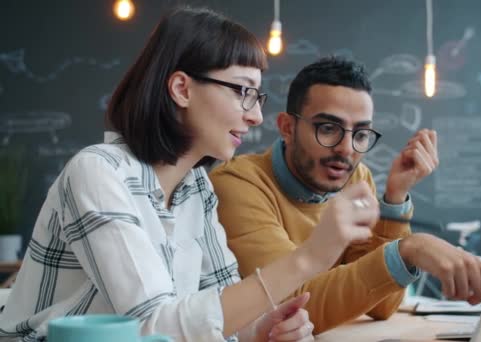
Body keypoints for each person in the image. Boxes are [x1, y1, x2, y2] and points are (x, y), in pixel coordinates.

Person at [0, 9, 380, 342]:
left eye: (257, 97)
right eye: (243, 92)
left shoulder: (196, 189)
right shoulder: (99, 173)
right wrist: (311, 256)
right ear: (182, 88)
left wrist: (259, 329)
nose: (255, 116)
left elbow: (214, 312)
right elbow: (153, 328)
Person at [209, 56, 481, 333]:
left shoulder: (356, 179)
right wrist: (410, 249)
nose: (346, 149)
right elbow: (293, 306)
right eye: (328, 128)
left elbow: (381, 305)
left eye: (360, 134)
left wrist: (395, 200)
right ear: (287, 127)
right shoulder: (237, 184)